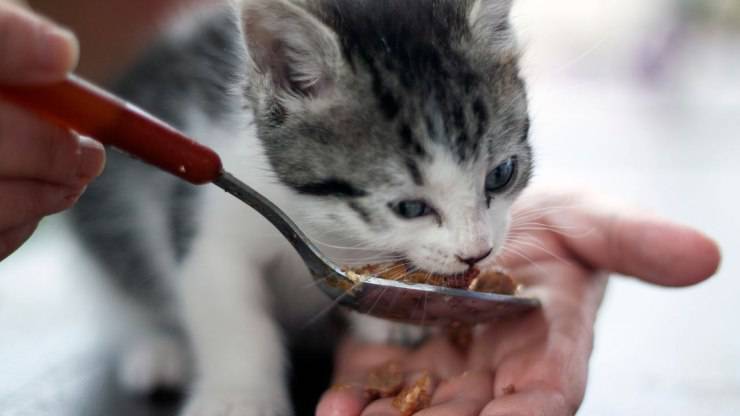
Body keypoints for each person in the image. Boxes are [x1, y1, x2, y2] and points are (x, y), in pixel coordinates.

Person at [0, 1, 721, 415]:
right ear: (288, 82)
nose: (476, 243)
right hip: (146, 294)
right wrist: (240, 382)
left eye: (499, 176)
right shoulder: (287, 121)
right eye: (411, 204)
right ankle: (164, 336)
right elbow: (214, 251)